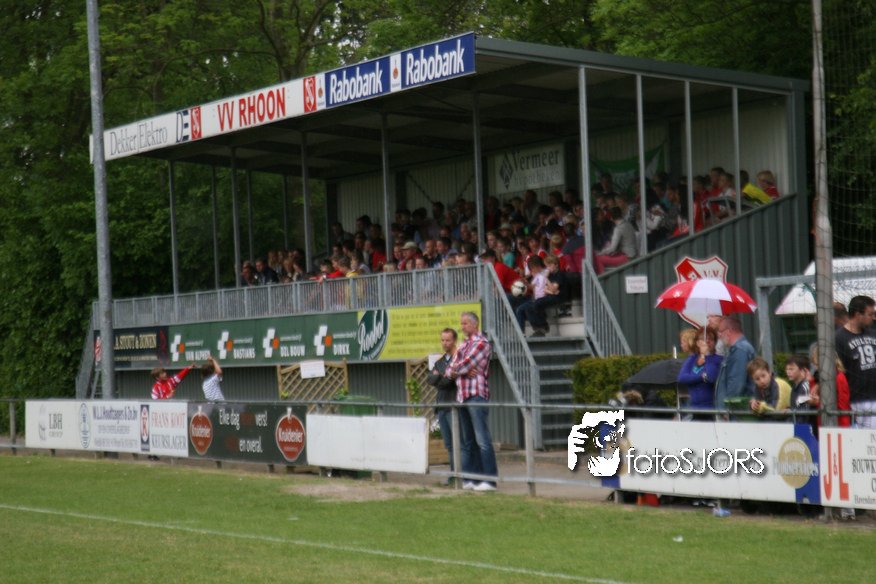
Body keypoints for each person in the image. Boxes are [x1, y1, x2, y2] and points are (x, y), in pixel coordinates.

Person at [445, 312, 497, 491]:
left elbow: (463, 365)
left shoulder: (482, 343)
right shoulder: (464, 344)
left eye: (465, 323)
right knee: (468, 442)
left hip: (476, 394)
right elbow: (448, 370)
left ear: (475, 324)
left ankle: (489, 481)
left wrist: (459, 369)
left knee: (482, 440)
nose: (462, 327)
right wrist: (462, 370)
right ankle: (471, 479)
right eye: (461, 323)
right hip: (462, 396)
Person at [835, 295, 876, 427]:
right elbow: (838, 370)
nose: (874, 318)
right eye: (870, 314)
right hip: (854, 401)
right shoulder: (839, 338)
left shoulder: (873, 334)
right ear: (858, 314)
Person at [425, 328, 459, 484]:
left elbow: (448, 381)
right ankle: (453, 475)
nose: (445, 343)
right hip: (441, 407)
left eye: (448, 340)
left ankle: (460, 475)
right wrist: (441, 377)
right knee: (449, 445)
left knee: (458, 443)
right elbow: (430, 379)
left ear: (455, 341)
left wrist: (440, 377)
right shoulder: (441, 361)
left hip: (453, 406)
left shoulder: (458, 358)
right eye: (442, 340)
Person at [519, 255, 569, 337]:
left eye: (550, 265)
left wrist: (547, 281)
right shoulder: (549, 275)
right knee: (528, 307)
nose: (548, 268)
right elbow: (547, 289)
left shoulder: (559, 274)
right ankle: (537, 329)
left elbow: (554, 288)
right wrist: (552, 291)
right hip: (551, 295)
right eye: (547, 266)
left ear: (556, 265)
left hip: (559, 297)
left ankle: (543, 326)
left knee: (536, 304)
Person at [714, 315, 757, 411]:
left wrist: (728, 406)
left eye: (720, 331)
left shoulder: (740, 350)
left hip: (737, 410)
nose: (719, 335)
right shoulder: (738, 349)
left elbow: (736, 382)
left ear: (729, 331)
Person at [678, 326, 722, 417]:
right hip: (694, 407)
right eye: (703, 339)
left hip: (710, 408)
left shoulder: (718, 359)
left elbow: (711, 377)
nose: (707, 341)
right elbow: (682, 378)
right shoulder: (693, 358)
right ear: (697, 343)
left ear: (715, 343)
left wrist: (708, 355)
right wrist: (702, 377)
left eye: (711, 339)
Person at [594, 206, 637, 275]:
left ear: (611, 217)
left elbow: (612, 248)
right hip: (633, 254)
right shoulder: (629, 224)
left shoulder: (618, 229)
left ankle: (602, 278)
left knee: (598, 259)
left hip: (627, 256)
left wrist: (600, 253)